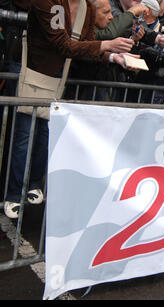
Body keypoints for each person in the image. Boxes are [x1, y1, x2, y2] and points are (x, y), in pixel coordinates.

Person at [3, 0, 139, 219]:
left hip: (57, 76)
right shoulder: (49, 2)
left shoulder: (86, 8)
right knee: (23, 135)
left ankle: (34, 185)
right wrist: (106, 46)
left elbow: (86, 46)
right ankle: (13, 194)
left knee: (44, 133)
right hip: (31, 69)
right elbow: (62, 45)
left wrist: (116, 58)